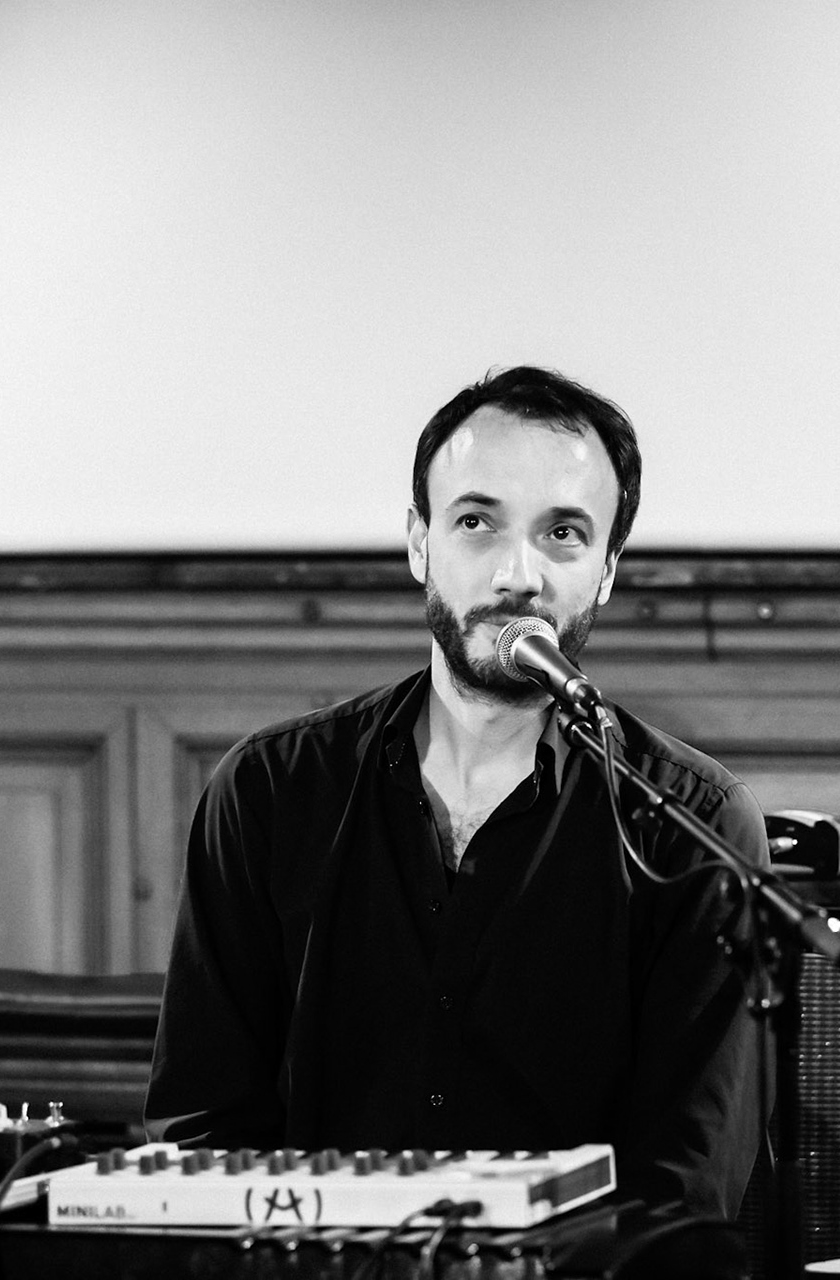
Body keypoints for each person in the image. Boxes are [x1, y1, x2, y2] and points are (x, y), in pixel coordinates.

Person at [144, 366, 769, 1217]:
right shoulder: (269, 792)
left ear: (608, 571)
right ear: (418, 543)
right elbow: (202, 1126)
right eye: (477, 522)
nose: (519, 575)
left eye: (564, 534)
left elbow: (684, 1191)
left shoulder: (691, 822)